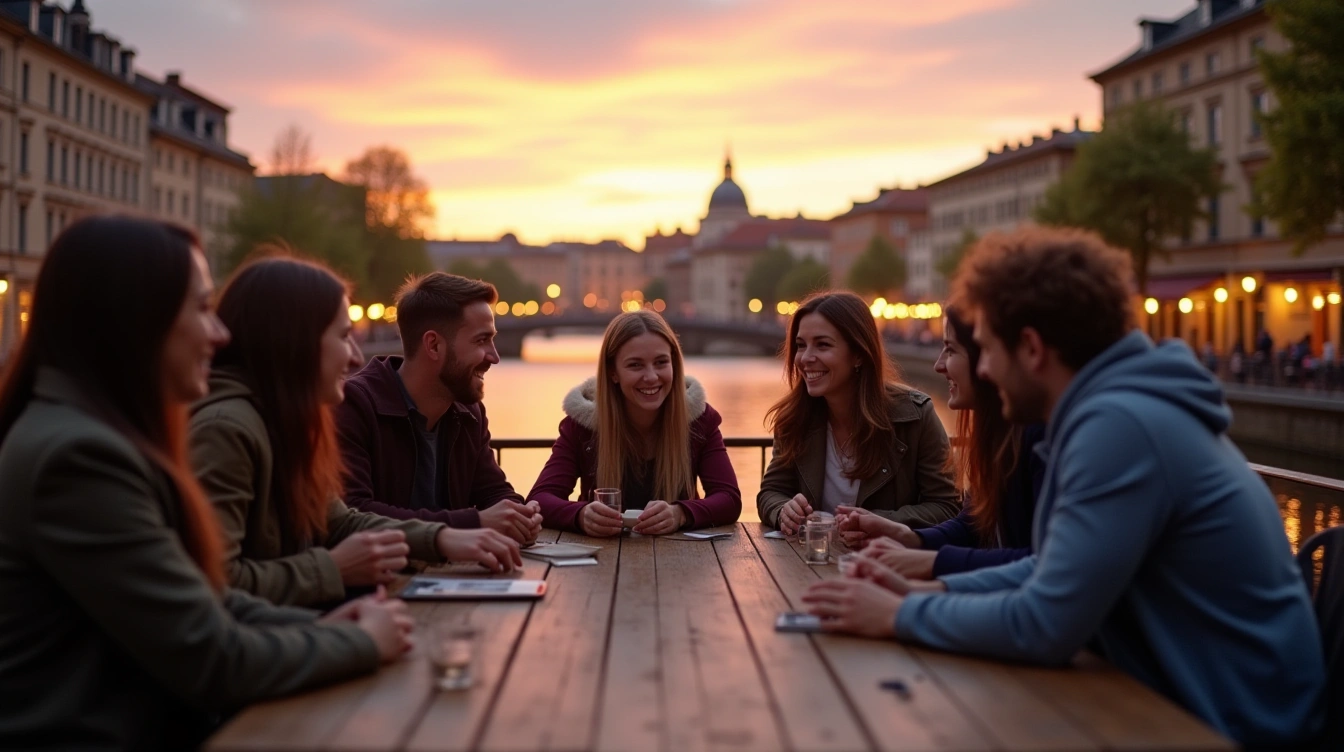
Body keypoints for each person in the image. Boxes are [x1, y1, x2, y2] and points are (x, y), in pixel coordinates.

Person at [802, 228, 1324, 747]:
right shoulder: (1115, 413)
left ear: (1030, 348)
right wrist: (926, 589)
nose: (981, 370)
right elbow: (1052, 568)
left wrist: (899, 613)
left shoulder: (1120, 427)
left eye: (984, 350)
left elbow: (1045, 625)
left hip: (1234, 726)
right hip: (1193, 700)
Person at [0, 217, 412, 749]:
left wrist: (325, 629)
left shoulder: (92, 435)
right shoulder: (80, 457)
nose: (219, 335)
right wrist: (357, 642)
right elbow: (209, 657)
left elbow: (202, 600)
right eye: (200, 308)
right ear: (137, 319)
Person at [190, 256, 522, 608]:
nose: (354, 357)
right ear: (295, 342)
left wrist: (442, 538)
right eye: (344, 336)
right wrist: (334, 577)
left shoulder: (286, 424)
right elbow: (214, 591)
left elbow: (342, 521)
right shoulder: (226, 431)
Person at [836, 305, 1045, 579]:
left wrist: (930, 566)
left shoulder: (1039, 434)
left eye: (951, 349)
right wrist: (907, 536)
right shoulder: (1000, 435)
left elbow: (1045, 565)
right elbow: (971, 525)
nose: (938, 365)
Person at [336, 272, 542, 544]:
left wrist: (519, 513)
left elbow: (492, 491)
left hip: (447, 577)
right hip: (382, 582)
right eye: (481, 340)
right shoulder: (353, 405)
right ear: (433, 345)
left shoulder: (469, 411)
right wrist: (475, 522)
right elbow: (353, 513)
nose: (495, 356)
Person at [757, 291, 959, 535]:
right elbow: (771, 492)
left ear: (859, 354)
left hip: (889, 565)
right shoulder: (794, 418)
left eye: (823, 345)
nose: (806, 358)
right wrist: (782, 511)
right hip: (809, 564)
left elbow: (946, 507)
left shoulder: (916, 416)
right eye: (801, 345)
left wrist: (878, 523)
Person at [529, 310, 741, 535]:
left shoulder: (699, 420)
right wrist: (580, 515)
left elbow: (729, 500)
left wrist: (681, 514)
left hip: (681, 560)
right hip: (602, 561)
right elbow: (538, 500)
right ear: (613, 373)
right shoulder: (582, 424)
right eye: (635, 365)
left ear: (674, 365)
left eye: (661, 362)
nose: (651, 377)